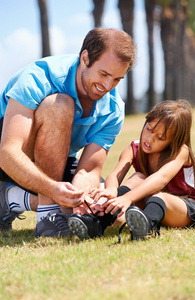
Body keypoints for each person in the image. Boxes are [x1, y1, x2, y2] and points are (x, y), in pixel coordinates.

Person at [0, 28, 136, 237]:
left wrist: (81, 203)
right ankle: (48, 218)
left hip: (50, 163)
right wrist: (53, 190)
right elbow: (8, 152)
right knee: (61, 104)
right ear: (85, 57)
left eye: (117, 79)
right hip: (8, 159)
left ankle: (10, 199)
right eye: (103, 74)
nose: (108, 86)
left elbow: (89, 170)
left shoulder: (113, 108)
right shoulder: (39, 78)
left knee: (107, 208)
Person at [68, 99, 195, 241]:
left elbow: (161, 179)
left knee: (160, 196)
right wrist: (112, 190)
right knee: (138, 177)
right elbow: (115, 174)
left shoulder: (181, 151)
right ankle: (97, 224)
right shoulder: (134, 148)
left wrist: (128, 198)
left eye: (160, 137)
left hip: (183, 208)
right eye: (149, 129)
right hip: (150, 204)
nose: (150, 139)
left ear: (173, 141)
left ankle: (145, 227)